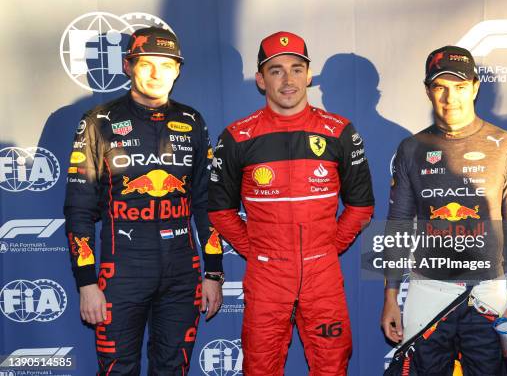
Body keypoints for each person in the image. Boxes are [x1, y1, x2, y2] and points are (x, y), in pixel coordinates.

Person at [208, 31, 374, 375]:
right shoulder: (237, 136)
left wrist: (328, 246)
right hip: (267, 275)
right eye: (276, 70)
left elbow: (360, 206)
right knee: (260, 367)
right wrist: (256, 250)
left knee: (332, 364)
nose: (288, 80)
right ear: (260, 79)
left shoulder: (340, 131)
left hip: (322, 274)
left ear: (309, 75)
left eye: (297, 69)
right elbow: (220, 211)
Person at [64, 26, 223, 375]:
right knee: (117, 369)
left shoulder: (192, 121)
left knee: (173, 368)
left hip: (183, 273)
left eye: (166, 65)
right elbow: (78, 210)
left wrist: (213, 272)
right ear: (127, 66)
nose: (156, 73)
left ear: (178, 70)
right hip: (121, 273)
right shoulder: (98, 122)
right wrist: (87, 283)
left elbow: (206, 203)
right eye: (146, 63)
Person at [381, 45, 507, 375]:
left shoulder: (506, 144)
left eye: (461, 87)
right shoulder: (411, 149)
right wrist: (391, 296)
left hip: (488, 292)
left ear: (475, 88)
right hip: (427, 291)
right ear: (427, 91)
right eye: (441, 88)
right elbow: (398, 226)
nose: (451, 99)